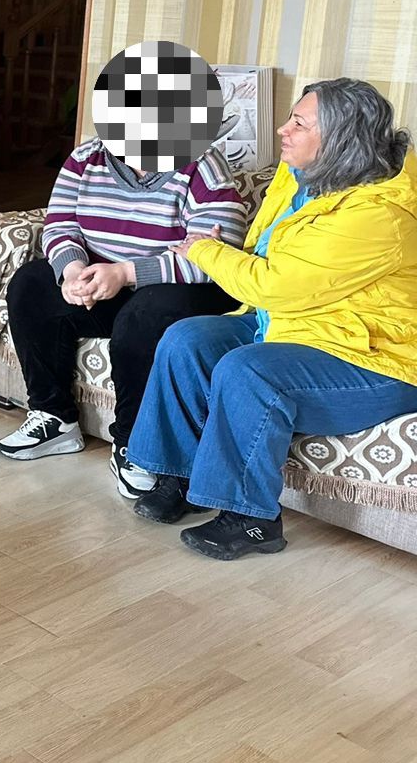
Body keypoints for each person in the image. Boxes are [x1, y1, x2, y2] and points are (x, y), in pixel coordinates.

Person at [127, 79, 417, 559]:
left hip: (375, 357)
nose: (283, 130)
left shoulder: (378, 215)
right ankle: (179, 477)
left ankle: (252, 519)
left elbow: (273, 283)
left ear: (340, 139)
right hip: (296, 324)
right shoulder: (302, 176)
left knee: (250, 371)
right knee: (187, 339)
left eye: (298, 123)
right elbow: (268, 254)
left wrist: (204, 250)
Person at [0, 135, 247, 498]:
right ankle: (54, 417)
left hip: (173, 291)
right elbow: (60, 224)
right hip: (103, 281)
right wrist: (73, 272)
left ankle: (133, 445)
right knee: (31, 283)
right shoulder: (86, 157)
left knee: (143, 315)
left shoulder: (203, 166)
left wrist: (126, 273)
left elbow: (217, 255)